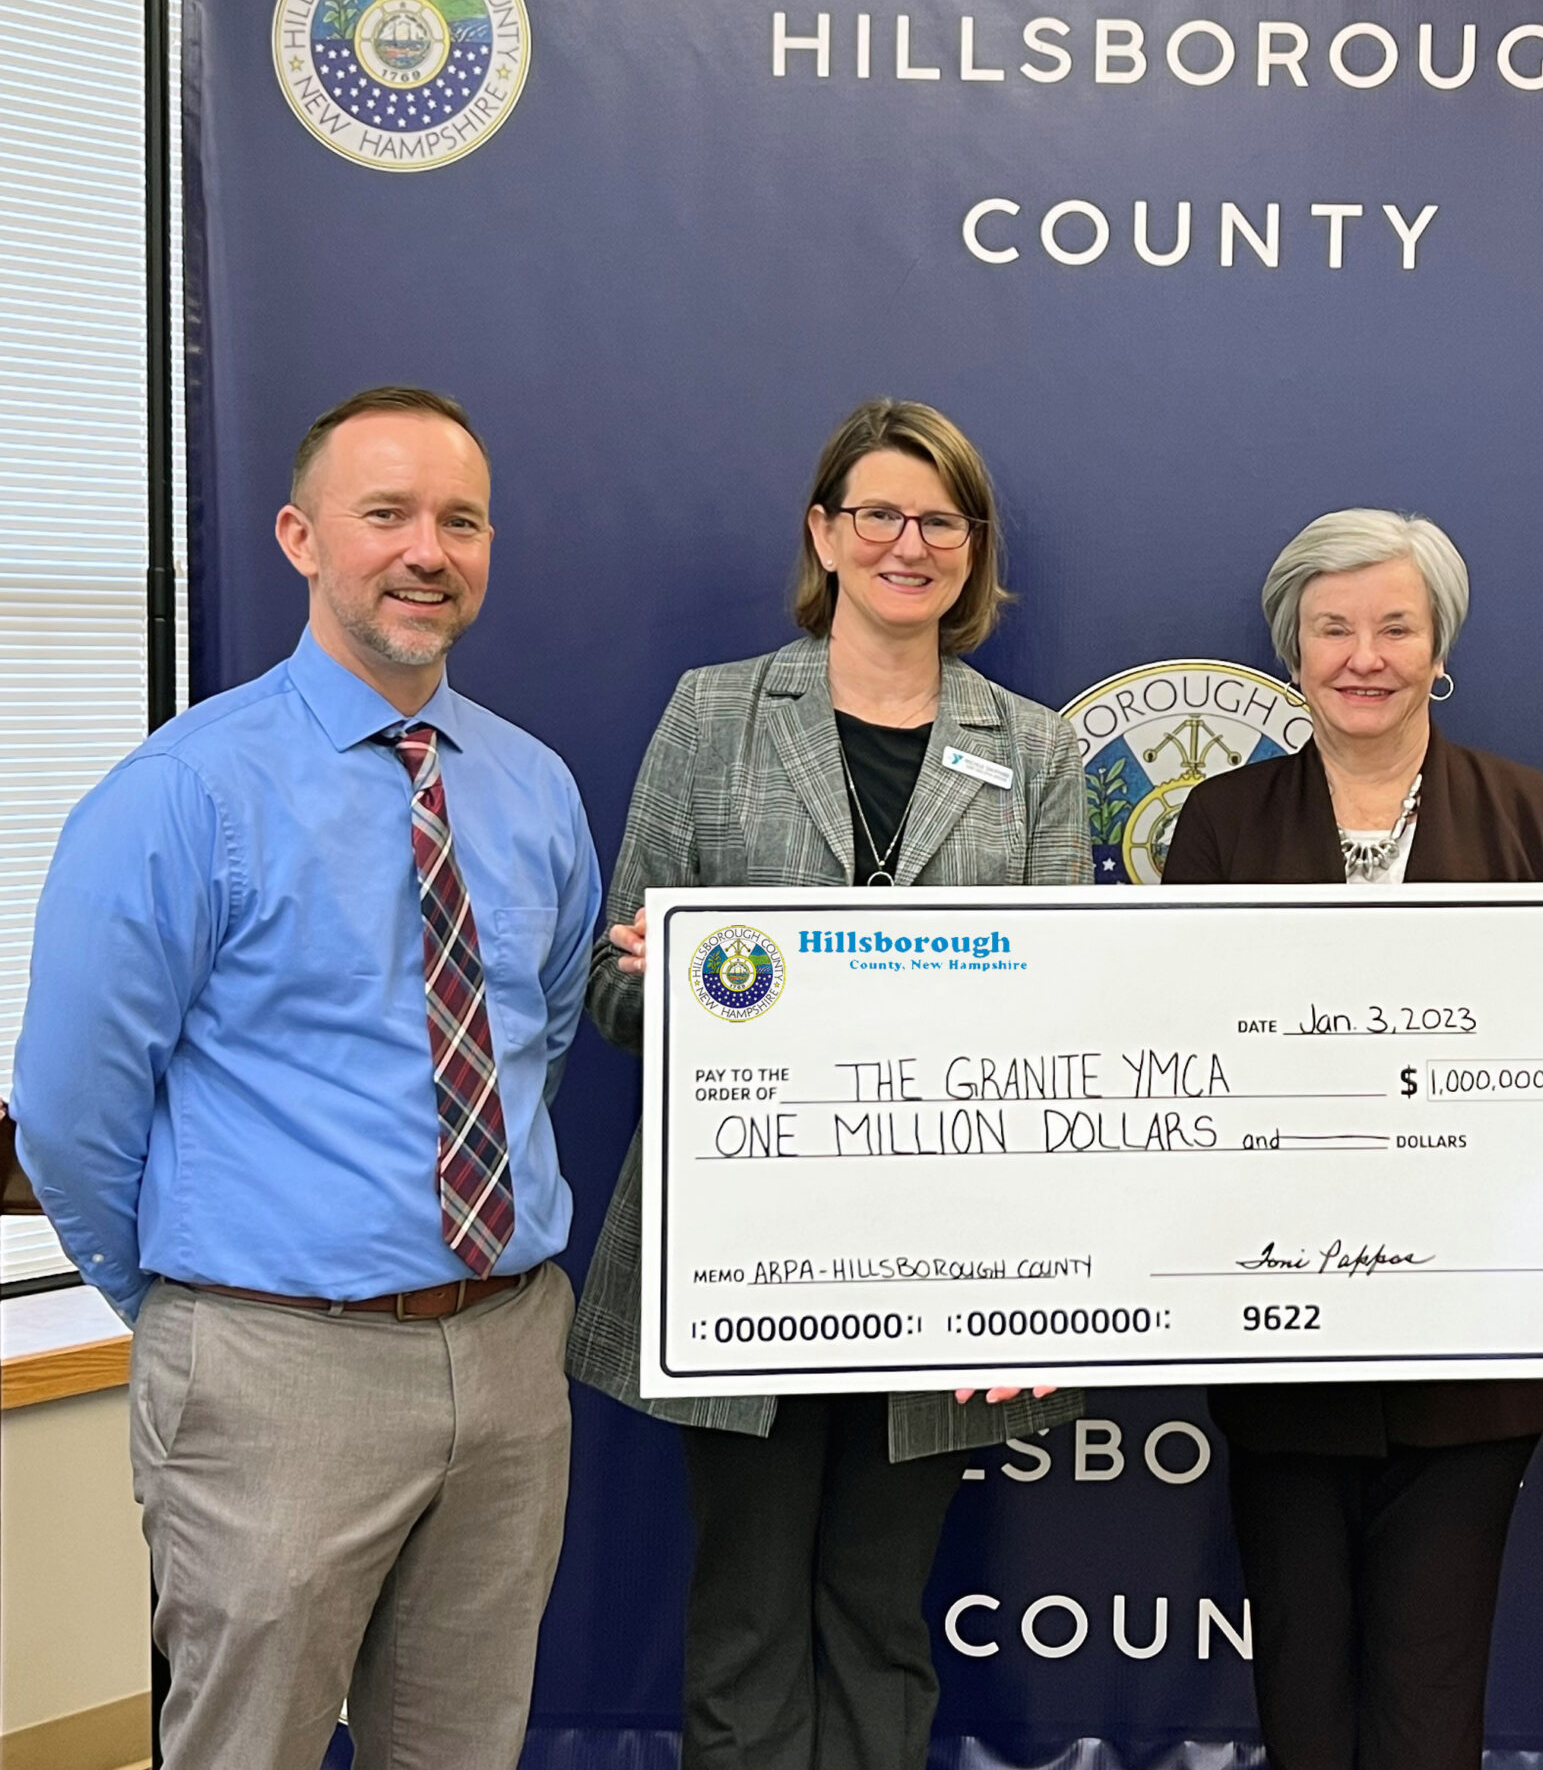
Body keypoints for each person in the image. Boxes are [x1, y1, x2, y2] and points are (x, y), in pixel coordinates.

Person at [14, 386, 602, 1768]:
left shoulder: (532, 789)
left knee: (461, 1747)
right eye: (384, 513)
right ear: (298, 536)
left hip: (510, 1355)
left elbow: (540, 1045)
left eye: (460, 521)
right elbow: (69, 1112)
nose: (426, 551)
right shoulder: (184, 794)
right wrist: (185, 1315)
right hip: (272, 1364)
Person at [564, 398, 1087, 1769]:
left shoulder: (1033, 749)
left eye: (940, 520)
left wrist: (1022, 1289)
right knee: (742, 1622)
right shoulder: (716, 712)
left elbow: (1060, 1044)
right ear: (824, 532)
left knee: (878, 1619)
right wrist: (661, 976)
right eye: (879, 514)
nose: (908, 544)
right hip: (746, 1265)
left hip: (941, 1274)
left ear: (973, 550)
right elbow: (613, 995)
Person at [1163, 507, 1543, 1770]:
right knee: (1299, 1677)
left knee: (1430, 1690)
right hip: (1280, 1336)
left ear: (1438, 644)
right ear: (1292, 649)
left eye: (1395, 626)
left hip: (1472, 1355)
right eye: (1333, 628)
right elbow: (1173, 1061)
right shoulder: (1224, 824)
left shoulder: (1529, 814)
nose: (1364, 655)